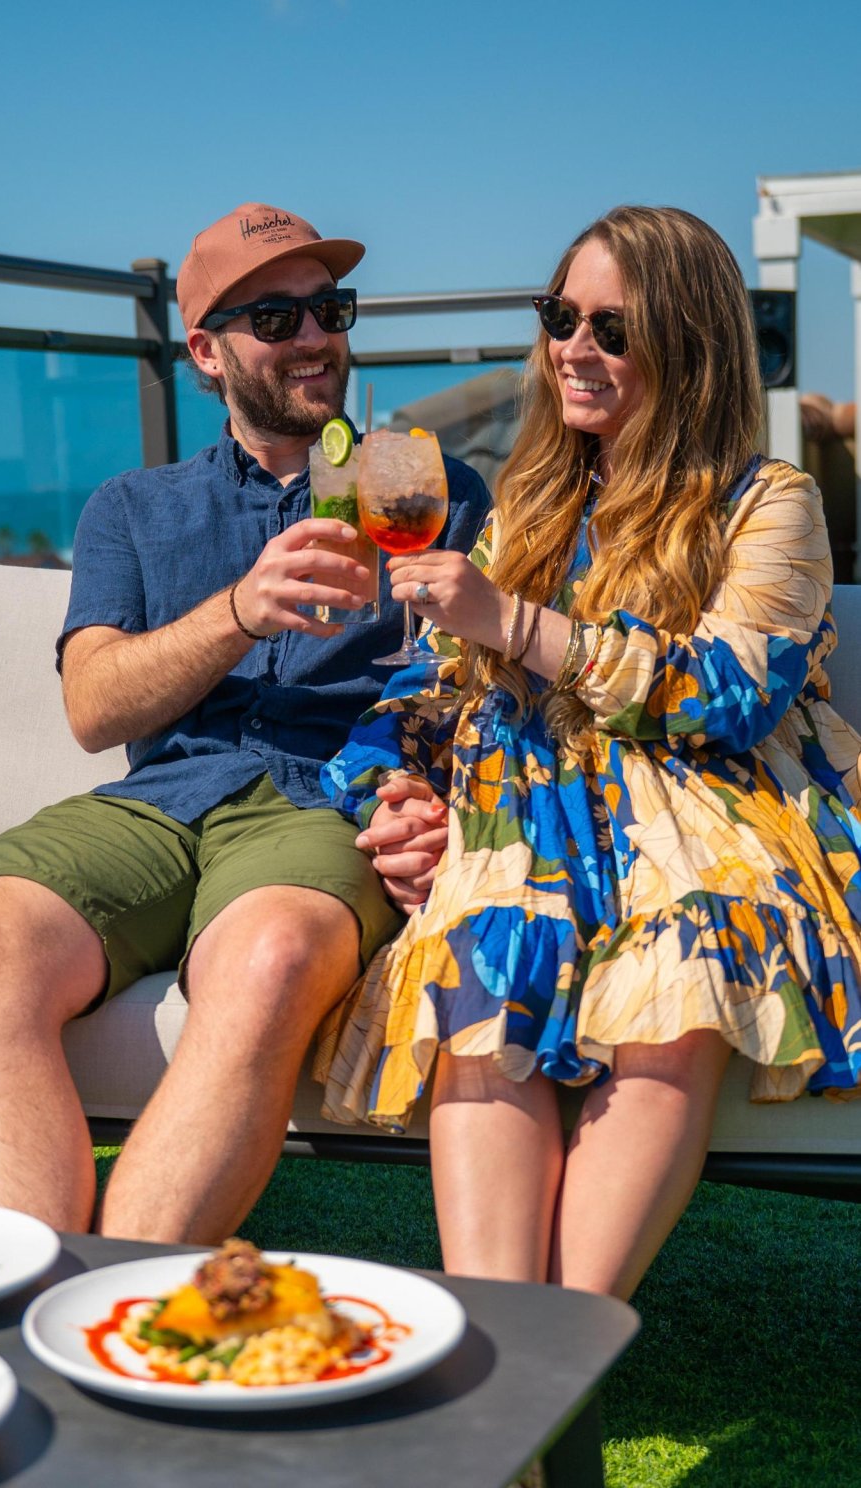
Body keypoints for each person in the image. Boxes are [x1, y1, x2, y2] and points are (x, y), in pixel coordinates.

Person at [315, 204, 861, 1302]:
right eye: (562, 316)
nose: (575, 347)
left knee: (690, 957)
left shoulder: (770, 502)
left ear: (690, 341)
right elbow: (420, 692)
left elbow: (728, 691)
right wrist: (396, 793)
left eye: (614, 327)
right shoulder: (525, 509)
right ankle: (514, 1382)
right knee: (487, 958)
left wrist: (509, 622)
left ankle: (539, 1367)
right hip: (532, 814)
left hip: (713, 812)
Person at [0, 201, 490, 1244]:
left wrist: (439, 795)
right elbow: (92, 706)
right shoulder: (133, 505)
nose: (315, 337)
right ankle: (20, 1312)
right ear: (206, 350)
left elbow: (480, 687)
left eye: (329, 309)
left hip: (321, 799)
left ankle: (113, 1304)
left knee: (270, 959)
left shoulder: (424, 485)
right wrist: (238, 610)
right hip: (158, 800)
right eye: (276, 318)